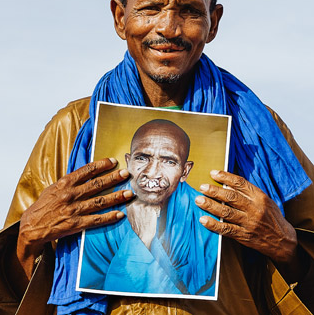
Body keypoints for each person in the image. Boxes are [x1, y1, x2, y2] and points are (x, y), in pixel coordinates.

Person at [0, 0, 314, 314]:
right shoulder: (72, 128)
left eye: (190, 11)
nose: (169, 28)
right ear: (120, 17)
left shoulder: (258, 132)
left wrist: (284, 244)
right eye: (150, 8)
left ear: (214, 22)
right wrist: (28, 239)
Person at [78, 119, 219, 296]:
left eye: (168, 161)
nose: (152, 172)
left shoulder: (207, 216)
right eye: (142, 158)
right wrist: (142, 240)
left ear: (185, 171)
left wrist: (145, 242)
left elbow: (210, 300)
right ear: (128, 162)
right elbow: (90, 294)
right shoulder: (102, 213)